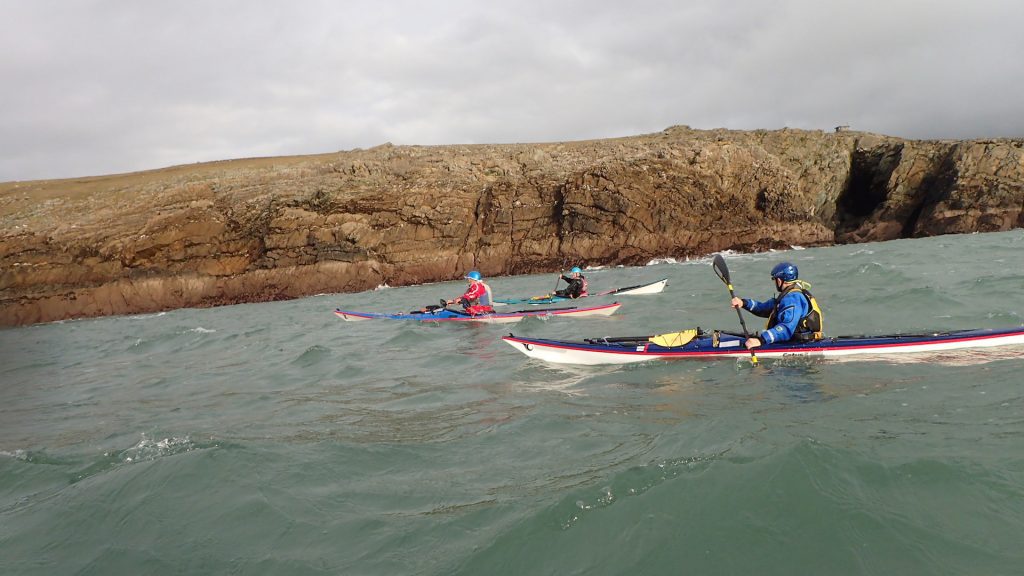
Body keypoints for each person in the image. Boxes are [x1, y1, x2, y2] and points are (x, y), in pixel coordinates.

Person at [730, 262, 824, 349]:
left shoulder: (792, 298)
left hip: (799, 344)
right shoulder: (787, 295)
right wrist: (743, 303)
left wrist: (761, 340)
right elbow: (763, 308)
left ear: (779, 281)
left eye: (774, 280)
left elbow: (786, 328)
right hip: (795, 341)